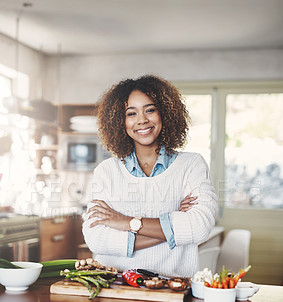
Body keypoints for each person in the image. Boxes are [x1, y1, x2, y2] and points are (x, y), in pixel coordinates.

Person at [82, 75, 217, 277]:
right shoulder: (106, 171)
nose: (142, 120)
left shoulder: (191, 165)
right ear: (120, 121)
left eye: (150, 110)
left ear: (165, 113)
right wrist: (172, 227)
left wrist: (125, 222)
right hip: (113, 288)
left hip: (173, 288)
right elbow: (96, 239)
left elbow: (199, 227)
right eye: (131, 113)